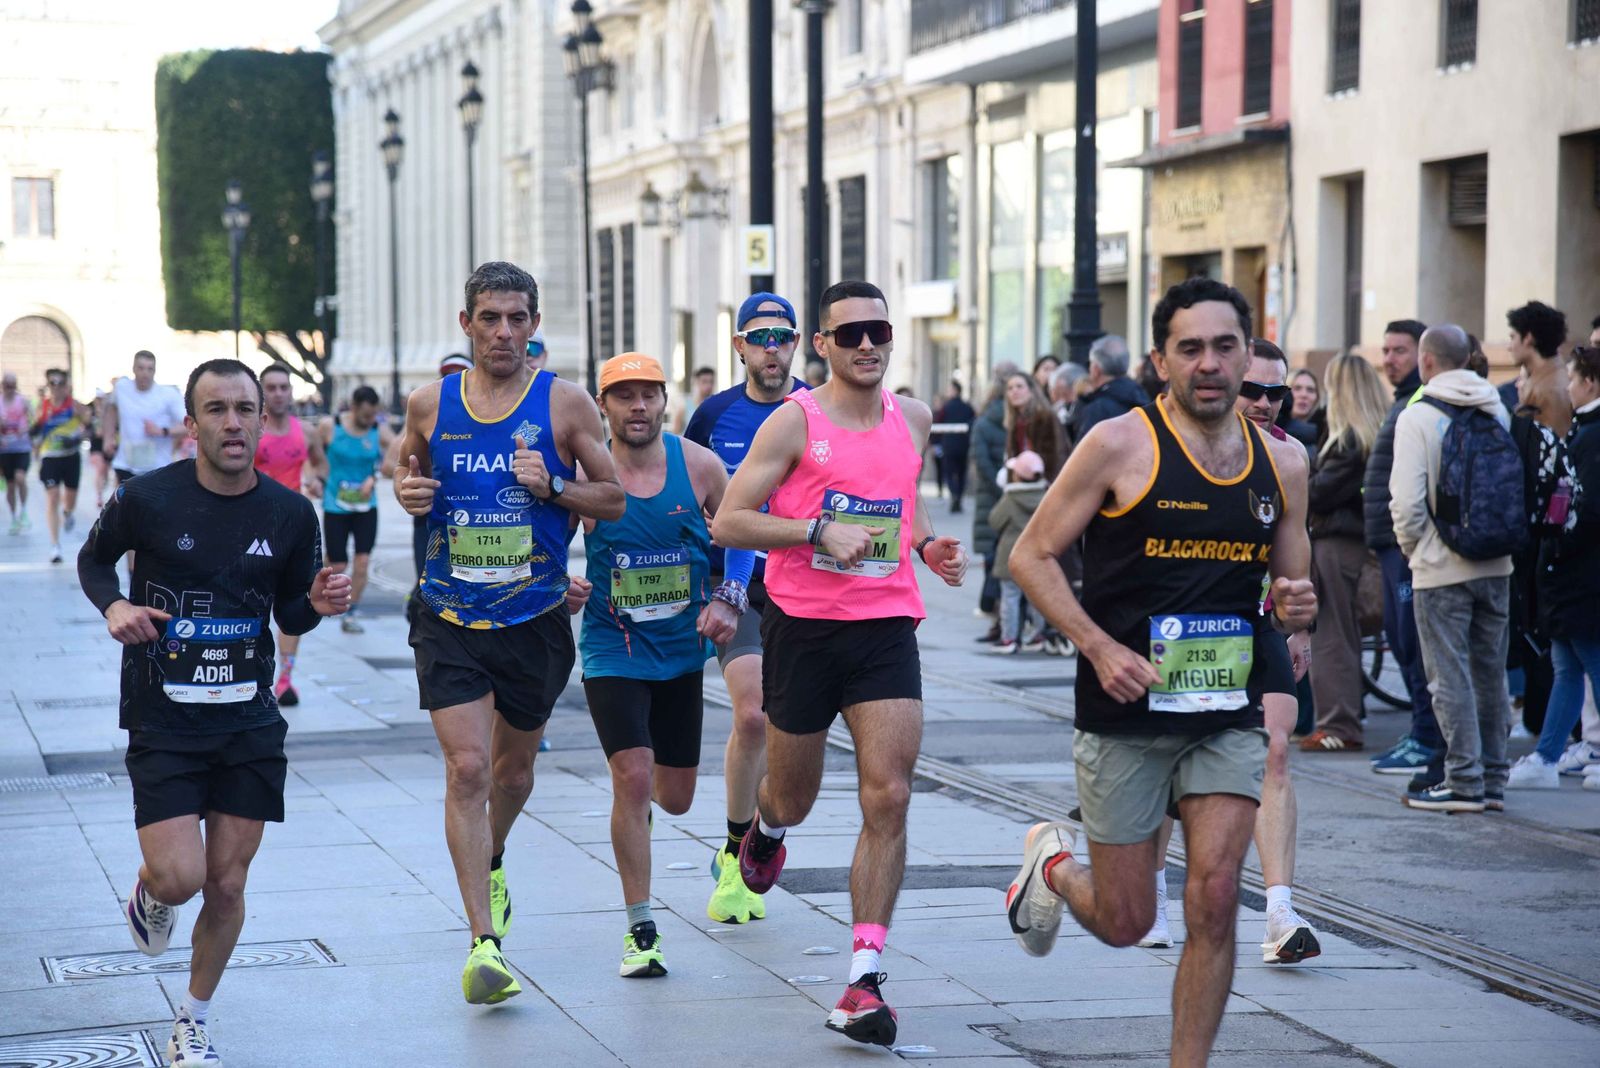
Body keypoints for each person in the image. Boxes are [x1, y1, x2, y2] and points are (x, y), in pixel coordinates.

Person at [1004, 278, 1315, 1068]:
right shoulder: (1119, 444)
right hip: (1126, 712)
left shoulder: (1284, 462)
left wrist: (1297, 603)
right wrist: (1098, 646)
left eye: (1225, 346)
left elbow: (1290, 584)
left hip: (1225, 709)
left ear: (1248, 354)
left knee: (1216, 897)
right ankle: (1053, 864)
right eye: (1191, 348)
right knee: (1127, 920)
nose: (1209, 363)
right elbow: (1031, 556)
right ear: (1161, 360)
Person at [712, 280, 968, 1046]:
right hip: (804, 630)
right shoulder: (796, 421)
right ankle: (764, 829)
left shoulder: (912, 417)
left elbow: (902, 497)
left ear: (891, 338)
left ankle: (864, 977)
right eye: (848, 333)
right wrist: (815, 530)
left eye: (876, 332)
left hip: (885, 627)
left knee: (889, 794)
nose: (865, 345)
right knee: (793, 796)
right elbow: (730, 519)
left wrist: (926, 543)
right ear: (821, 344)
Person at [77, 358, 351, 1067]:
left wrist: (315, 605)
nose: (233, 423)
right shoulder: (147, 498)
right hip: (162, 716)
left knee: (227, 884)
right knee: (181, 878)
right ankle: (150, 889)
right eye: (217, 410)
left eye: (245, 409)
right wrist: (115, 606)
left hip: (249, 722)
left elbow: (291, 612)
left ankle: (191, 1022)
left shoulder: (291, 514)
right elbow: (93, 561)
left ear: (263, 420)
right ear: (192, 424)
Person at [393, 261, 623, 1004]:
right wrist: (408, 491)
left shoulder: (565, 403)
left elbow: (613, 499)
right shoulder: (430, 403)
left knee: (512, 774)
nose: (502, 332)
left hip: (535, 618)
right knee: (467, 770)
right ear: (467, 324)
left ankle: (491, 855)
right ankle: (482, 944)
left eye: (516, 318)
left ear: (533, 325)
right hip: (448, 614)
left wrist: (553, 486)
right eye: (489, 318)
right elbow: (407, 474)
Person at [578, 352, 744, 976]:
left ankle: (646, 815)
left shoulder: (699, 466)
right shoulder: (589, 474)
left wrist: (729, 595)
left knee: (674, 798)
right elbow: (545, 537)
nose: (638, 407)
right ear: (604, 406)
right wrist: (560, 584)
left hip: (680, 653)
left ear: (665, 401)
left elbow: (741, 533)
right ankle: (641, 929)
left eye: (649, 394)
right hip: (611, 649)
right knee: (633, 777)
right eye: (624, 396)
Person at [684, 291, 806, 927]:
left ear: (798, 344)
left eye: (782, 337)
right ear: (739, 347)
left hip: (805, 582)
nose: (771, 348)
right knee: (753, 714)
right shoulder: (713, 415)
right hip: (736, 586)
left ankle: (764, 832)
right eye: (759, 338)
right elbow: (683, 487)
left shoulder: (817, 409)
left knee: (794, 728)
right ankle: (735, 852)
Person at [1391, 325, 1515, 813]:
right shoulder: (1495, 408)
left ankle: (1463, 780)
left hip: (1440, 568)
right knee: (1490, 673)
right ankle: (1494, 779)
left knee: (1449, 676)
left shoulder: (1418, 415)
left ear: (1426, 362)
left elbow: (1406, 503)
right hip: (1496, 563)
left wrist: (1414, 550)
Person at [1507, 345, 1600, 789]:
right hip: (1569, 575)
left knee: (1591, 662)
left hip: (1582, 575)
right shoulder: (1584, 429)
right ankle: (1546, 757)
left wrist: (1559, 543)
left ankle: (1565, 755)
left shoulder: (1592, 436)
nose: (1567, 387)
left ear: (1591, 383)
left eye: (1574, 378)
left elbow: (1587, 509)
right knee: (1567, 666)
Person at [1362, 320, 1444, 778]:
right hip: (1390, 543)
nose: (1388, 359)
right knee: (1400, 639)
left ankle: (1427, 738)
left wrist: (1406, 539)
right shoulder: (1403, 399)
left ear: (1423, 354)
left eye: (1399, 350)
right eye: (1385, 350)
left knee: (1412, 644)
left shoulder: (1419, 400)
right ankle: (1420, 732)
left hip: (1405, 545)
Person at [1300, 354, 1389, 755]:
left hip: (1337, 545)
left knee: (1332, 636)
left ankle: (1337, 725)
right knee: (1342, 636)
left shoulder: (1348, 441)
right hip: (1354, 543)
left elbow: (1317, 493)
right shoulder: (1372, 434)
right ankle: (1342, 722)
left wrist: (1303, 470)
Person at [253, 365, 329, 706]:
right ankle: (253, 673)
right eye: (271, 387)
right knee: (255, 604)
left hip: (294, 530)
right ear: (261, 393)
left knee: (293, 604)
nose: (279, 393)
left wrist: (317, 481)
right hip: (254, 528)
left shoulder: (306, 431)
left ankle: (285, 679)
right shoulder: (252, 431)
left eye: (284, 387)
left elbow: (321, 464)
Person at [320, 386, 394, 635]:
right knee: (337, 563)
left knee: (362, 562)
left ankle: (351, 613)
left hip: (365, 506)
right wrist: (316, 479)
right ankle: (313, 589)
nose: (370, 420)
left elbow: (398, 453)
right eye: (365, 415)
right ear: (353, 408)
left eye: (373, 415)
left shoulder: (378, 429)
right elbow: (313, 456)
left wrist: (375, 476)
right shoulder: (330, 426)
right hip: (335, 504)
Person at [970, 362, 1017, 639]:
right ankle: (1008, 620)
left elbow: (981, 462)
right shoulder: (1020, 417)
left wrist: (999, 486)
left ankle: (996, 617)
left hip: (991, 500)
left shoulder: (985, 420)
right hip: (1018, 495)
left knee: (993, 561)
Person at [988, 450, 1048, 653]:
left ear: (1017, 475)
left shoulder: (1011, 497)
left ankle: (1009, 639)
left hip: (1011, 556)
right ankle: (1037, 635)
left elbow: (995, 521)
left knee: (1010, 598)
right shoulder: (1046, 495)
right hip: (1037, 555)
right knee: (1036, 598)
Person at [32, 368, 92, 562]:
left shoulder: (74, 406)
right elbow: (34, 430)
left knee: (70, 499)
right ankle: (55, 545)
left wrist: (76, 438)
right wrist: (34, 442)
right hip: (50, 457)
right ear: (48, 385)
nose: (56, 387)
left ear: (67, 386)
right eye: (53, 383)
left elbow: (90, 427)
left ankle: (68, 513)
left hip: (70, 456)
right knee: (52, 497)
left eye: (60, 383)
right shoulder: (43, 406)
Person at [103, 351, 186, 485]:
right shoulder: (121, 387)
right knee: (123, 499)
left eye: (149, 369)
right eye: (141, 368)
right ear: (133, 369)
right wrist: (108, 437)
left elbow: (189, 425)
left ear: (155, 371)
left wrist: (162, 431)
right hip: (125, 464)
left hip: (157, 467)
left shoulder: (168, 394)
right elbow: (111, 409)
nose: (145, 373)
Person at [1504, 300, 1572, 439]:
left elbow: (1555, 446)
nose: (1509, 347)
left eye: (1513, 337)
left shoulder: (1551, 390)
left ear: (1528, 338)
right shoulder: (1546, 381)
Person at [1070, 334, 1147, 443]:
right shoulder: (1143, 397)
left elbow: (1082, 451)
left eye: (1091, 363)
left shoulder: (1097, 410)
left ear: (1096, 369)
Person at [933, 380, 975, 512]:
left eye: (949, 389)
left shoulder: (946, 407)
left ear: (955, 390)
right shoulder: (967, 407)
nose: (947, 392)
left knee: (949, 473)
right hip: (964, 445)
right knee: (962, 473)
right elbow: (973, 421)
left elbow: (938, 422)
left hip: (949, 445)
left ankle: (954, 494)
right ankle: (959, 497)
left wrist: (936, 442)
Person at [2, 371, 34, 533]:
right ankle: (14, 517)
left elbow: (34, 419)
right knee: (10, 485)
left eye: (13, 385)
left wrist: (26, 428)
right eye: (7, 385)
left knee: (20, 478)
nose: (10, 388)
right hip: (5, 450)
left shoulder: (23, 401)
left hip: (22, 447)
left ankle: (24, 510)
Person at [88, 391, 111, 508]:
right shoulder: (91, 414)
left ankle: (102, 490)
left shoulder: (110, 413)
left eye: (101, 399)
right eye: (98, 399)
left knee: (105, 472)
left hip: (108, 446)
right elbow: (98, 432)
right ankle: (99, 496)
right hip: (96, 446)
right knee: (100, 469)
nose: (100, 402)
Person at [677, 365, 716, 433]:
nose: (709, 385)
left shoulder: (717, 407)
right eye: (704, 381)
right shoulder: (684, 407)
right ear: (696, 382)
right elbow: (675, 433)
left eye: (711, 382)